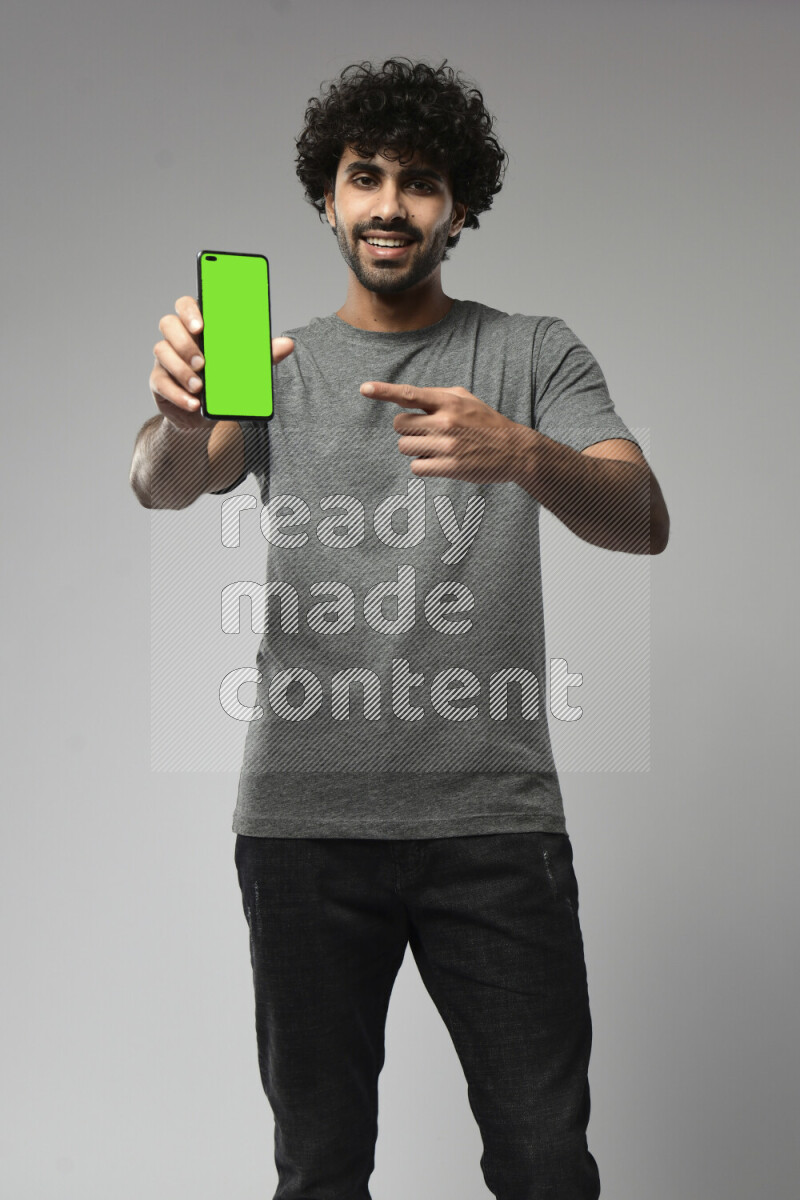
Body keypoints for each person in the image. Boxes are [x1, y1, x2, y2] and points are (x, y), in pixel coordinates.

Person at [130, 57, 669, 1200]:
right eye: (362, 176)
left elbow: (642, 518)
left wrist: (519, 451)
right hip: (302, 827)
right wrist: (180, 416)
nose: (386, 204)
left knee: (542, 1164)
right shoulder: (266, 363)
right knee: (318, 1170)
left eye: (418, 182)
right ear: (325, 196)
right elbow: (165, 484)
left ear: (459, 208)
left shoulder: (529, 354)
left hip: (493, 824)